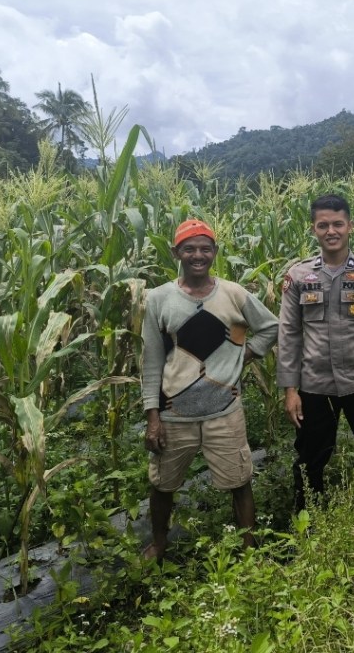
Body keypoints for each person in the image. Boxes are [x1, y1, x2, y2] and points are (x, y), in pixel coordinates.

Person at [141, 218, 279, 559]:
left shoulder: (234, 293)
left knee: (240, 480)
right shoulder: (158, 299)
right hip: (175, 414)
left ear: (215, 252)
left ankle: (248, 548)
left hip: (224, 412)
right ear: (176, 252)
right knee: (162, 485)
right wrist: (152, 417)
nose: (197, 255)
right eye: (189, 249)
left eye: (205, 248)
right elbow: (152, 361)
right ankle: (159, 544)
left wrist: (242, 356)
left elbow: (270, 327)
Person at [277, 193, 354, 511]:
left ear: (351, 226)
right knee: (309, 460)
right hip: (314, 386)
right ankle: (306, 522)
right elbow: (289, 334)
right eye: (323, 225)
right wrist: (290, 389)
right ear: (313, 229)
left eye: (337, 224)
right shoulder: (298, 276)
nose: (330, 231)